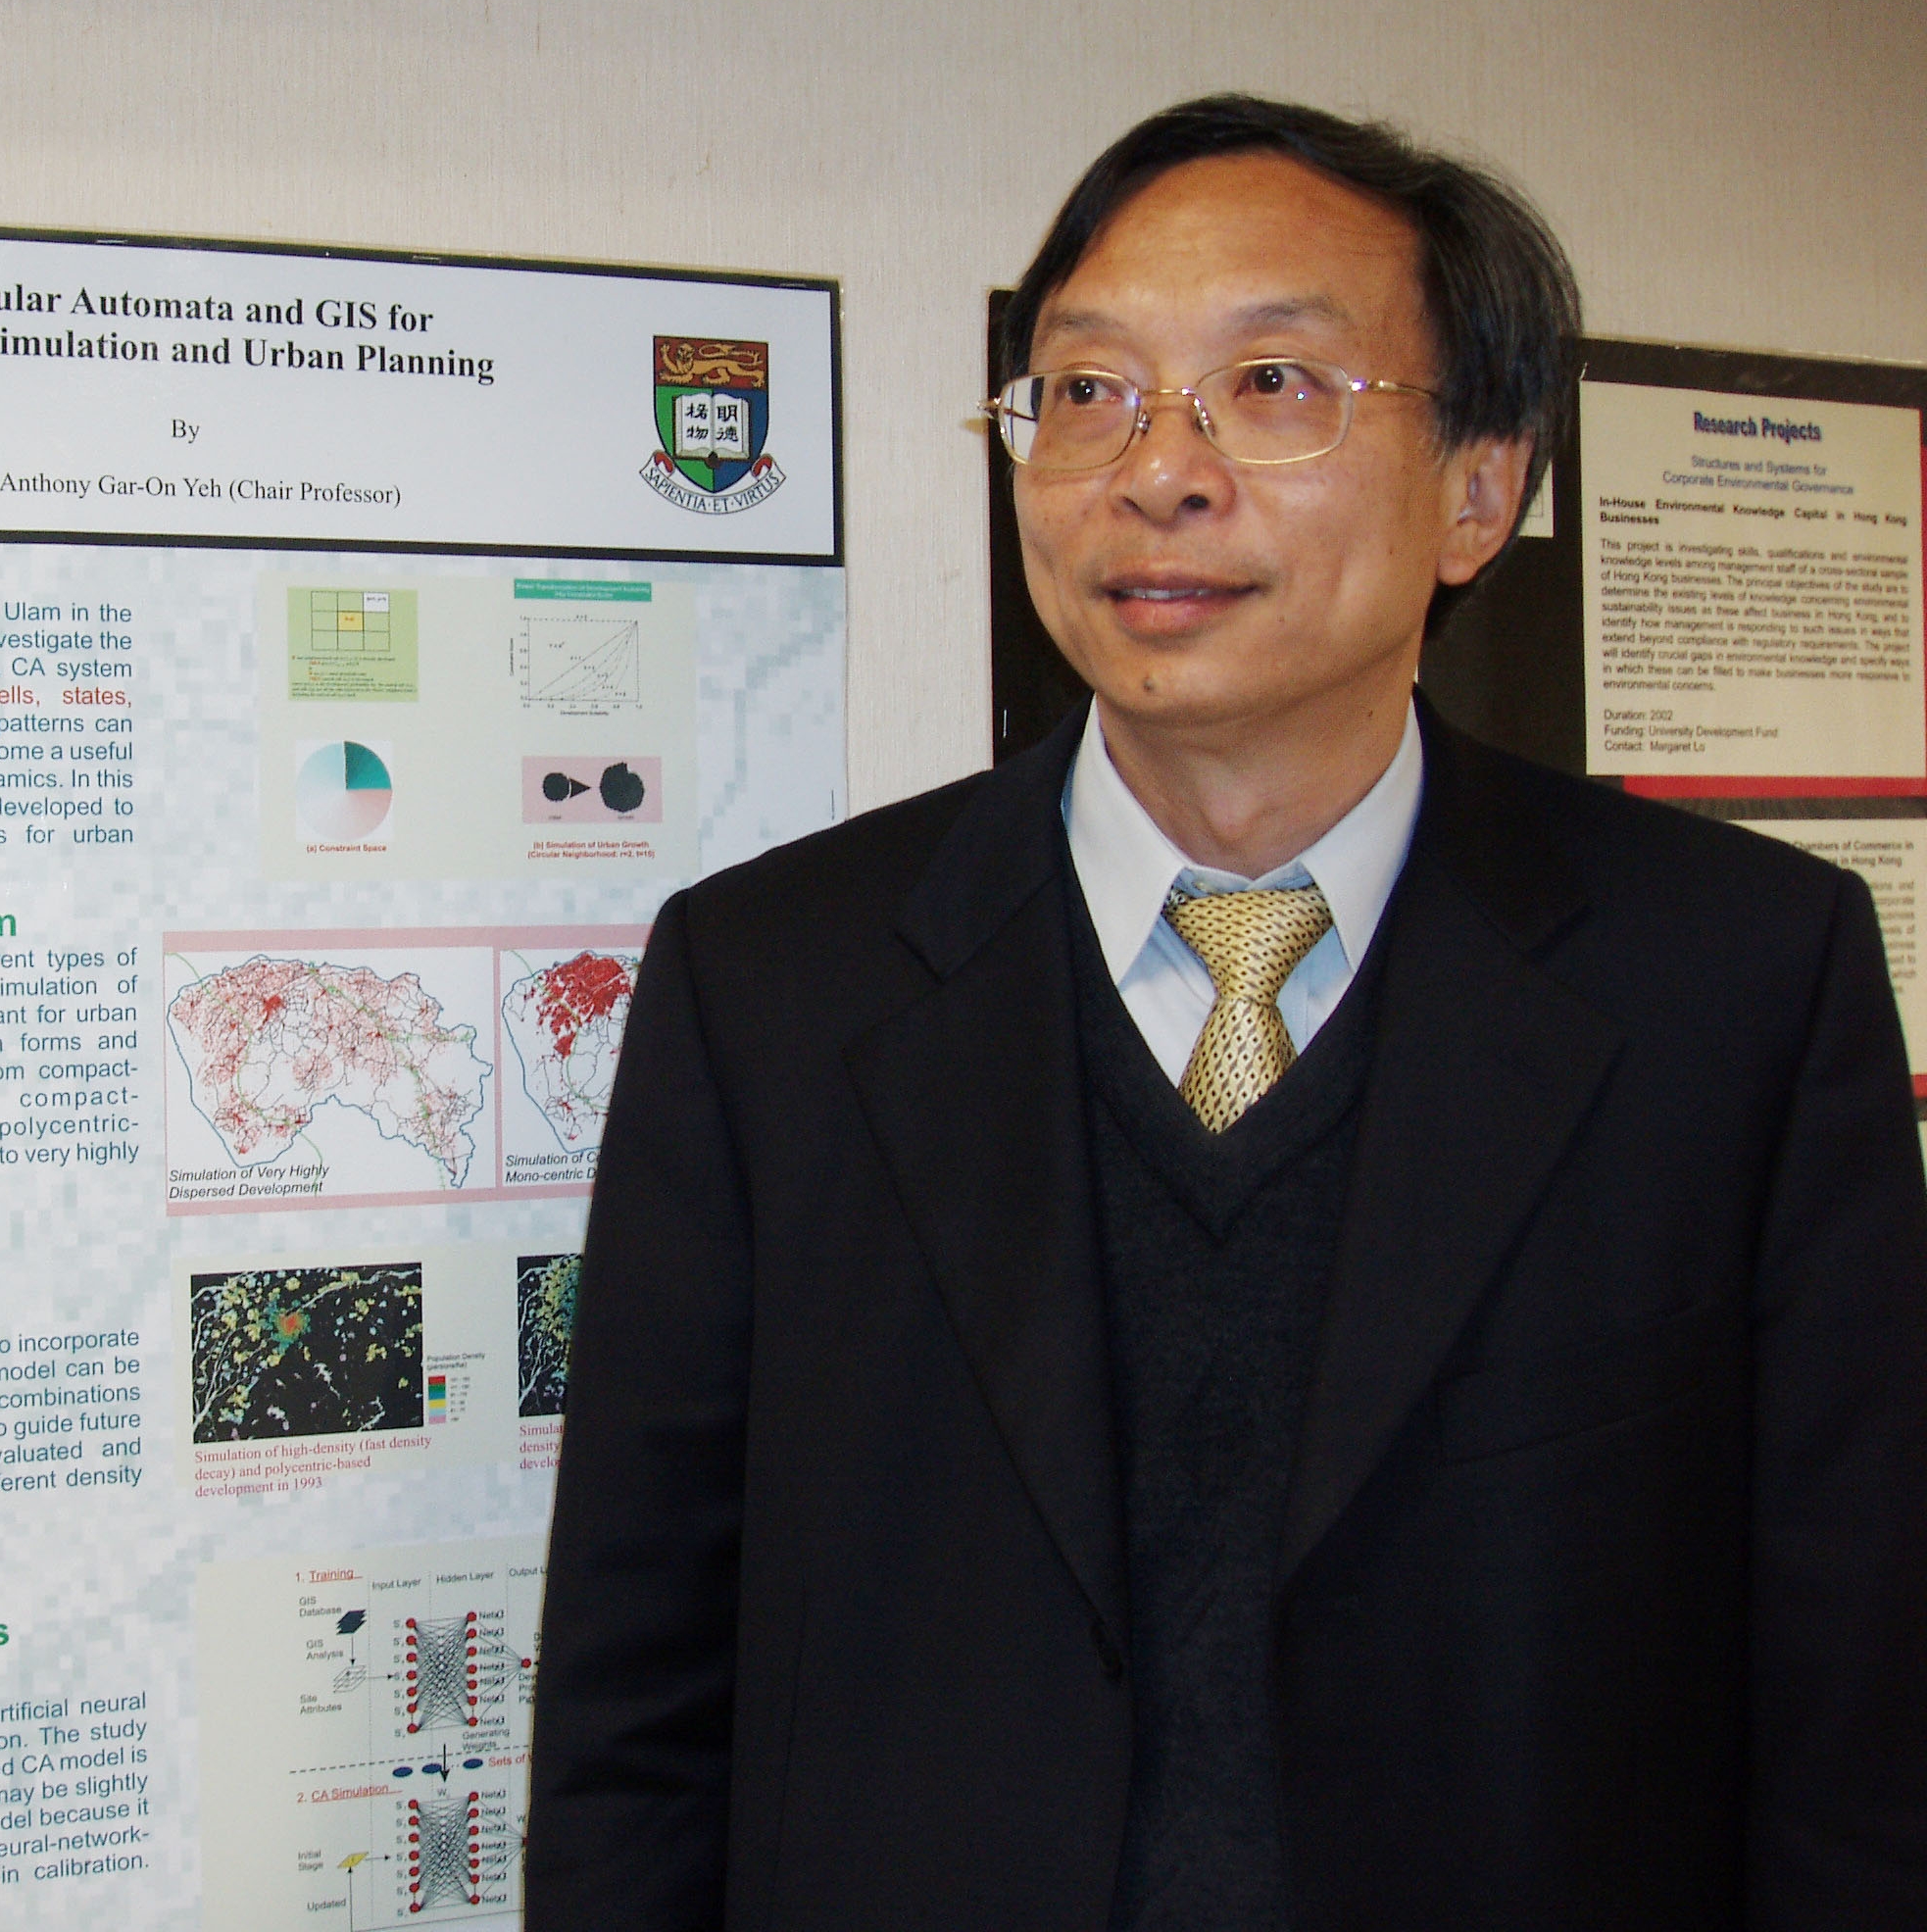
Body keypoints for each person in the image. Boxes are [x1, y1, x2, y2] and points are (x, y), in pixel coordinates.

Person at [524, 93, 1927, 1932]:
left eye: (1272, 386)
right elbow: (634, 1717)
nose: (1157, 470)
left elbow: (1857, 1719)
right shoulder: (771, 985)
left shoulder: (1736, 983)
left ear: (1481, 488)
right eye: (1087, 390)